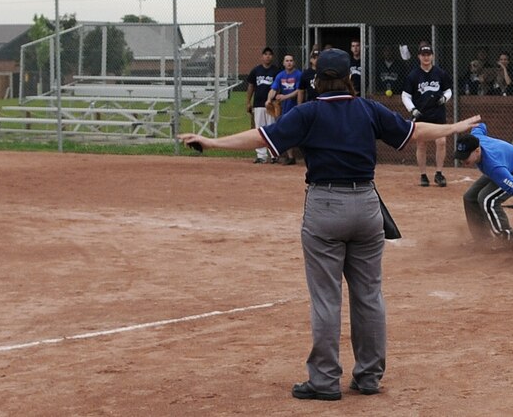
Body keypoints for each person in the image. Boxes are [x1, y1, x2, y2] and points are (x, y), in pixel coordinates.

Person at [178, 49, 481, 401]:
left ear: (317, 78)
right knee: (369, 295)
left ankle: (323, 381)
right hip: (367, 207)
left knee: (326, 299)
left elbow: (263, 137)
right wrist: (456, 127)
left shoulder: (309, 112)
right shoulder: (367, 109)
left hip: (325, 206)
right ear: (350, 78)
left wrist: (212, 142)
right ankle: (368, 376)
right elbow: (415, 131)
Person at [455, 123, 513, 243]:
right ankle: (482, 239)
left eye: (466, 156)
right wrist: (472, 122)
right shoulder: (475, 138)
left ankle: (508, 239)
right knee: (469, 197)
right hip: (505, 165)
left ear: (477, 151)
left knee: (487, 199)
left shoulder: (494, 166)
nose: (463, 160)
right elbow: (480, 126)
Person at [402, 42, 454, 187]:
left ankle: (439, 173)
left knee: (441, 142)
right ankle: (423, 175)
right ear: (419, 56)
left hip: (438, 114)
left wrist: (444, 98)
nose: (426, 57)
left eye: (428, 55)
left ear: (432, 56)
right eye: (423, 55)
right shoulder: (413, 75)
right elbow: (405, 96)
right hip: (421, 115)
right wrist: (412, 110)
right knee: (421, 144)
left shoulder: (440, 73)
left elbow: (449, 90)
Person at [245, 47, 281, 164]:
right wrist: (248, 102)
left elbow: (279, 88)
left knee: (272, 128)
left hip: (271, 104)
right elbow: (251, 87)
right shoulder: (256, 71)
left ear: (273, 57)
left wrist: (276, 102)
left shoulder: (276, 71)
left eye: (270, 54)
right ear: (262, 56)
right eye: (265, 54)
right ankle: (261, 155)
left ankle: (274, 154)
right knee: (259, 129)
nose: (267, 56)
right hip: (258, 104)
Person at [266, 54, 303, 165]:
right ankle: (290, 157)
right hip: (284, 108)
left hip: (295, 106)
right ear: (283, 63)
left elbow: (299, 90)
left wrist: (284, 97)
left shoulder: (299, 75)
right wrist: (268, 99)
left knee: (298, 132)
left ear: (294, 62)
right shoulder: (280, 75)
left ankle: (306, 156)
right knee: (286, 132)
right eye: (287, 61)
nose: (289, 63)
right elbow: (274, 89)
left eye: (291, 60)